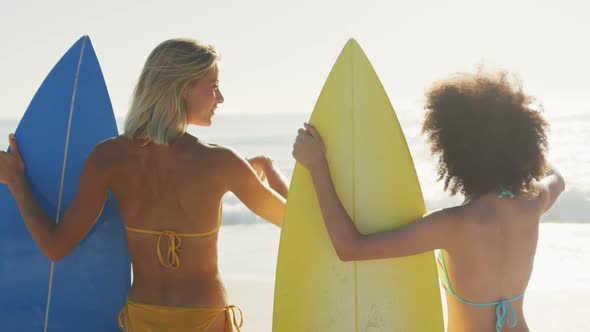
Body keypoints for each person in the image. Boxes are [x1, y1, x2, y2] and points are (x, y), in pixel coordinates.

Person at [0, 38, 289, 332]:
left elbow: (55, 246)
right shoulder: (221, 162)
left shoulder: (108, 157)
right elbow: (295, 223)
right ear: (183, 87)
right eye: (213, 86)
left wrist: (15, 180)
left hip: (143, 320)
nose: (221, 98)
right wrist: (269, 167)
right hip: (206, 320)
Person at [292, 70, 565, 332]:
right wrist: (522, 157)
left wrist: (318, 166)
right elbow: (558, 178)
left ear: (454, 153)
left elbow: (350, 247)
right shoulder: (533, 202)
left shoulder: (452, 225)